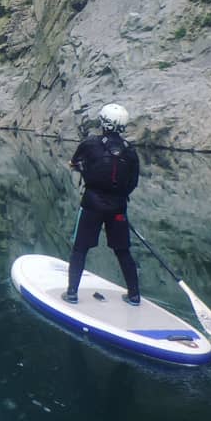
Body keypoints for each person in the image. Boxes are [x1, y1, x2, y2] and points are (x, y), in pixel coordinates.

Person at [63, 103, 141, 305]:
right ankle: (134, 295)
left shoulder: (90, 144)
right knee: (122, 250)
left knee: (80, 248)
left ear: (103, 122)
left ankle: (72, 293)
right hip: (118, 208)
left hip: (92, 205)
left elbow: (73, 164)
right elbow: (132, 183)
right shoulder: (130, 152)